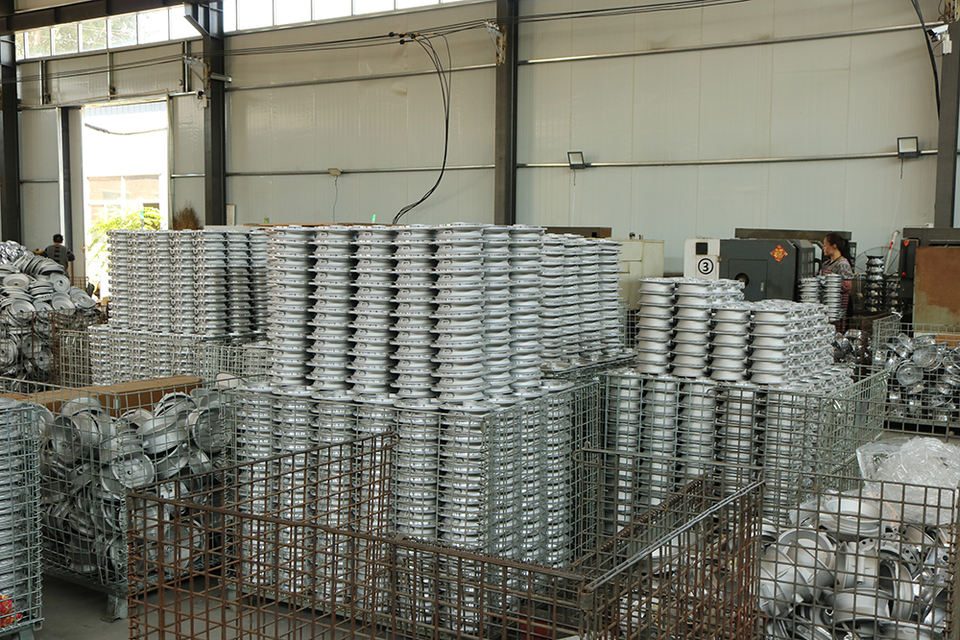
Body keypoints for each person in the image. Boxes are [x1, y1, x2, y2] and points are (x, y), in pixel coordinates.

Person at [821, 232, 854, 329]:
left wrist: (830, 283)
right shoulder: (826, 264)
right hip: (826, 306)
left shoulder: (842, 264)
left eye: (825, 245)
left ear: (834, 246)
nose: (823, 248)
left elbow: (847, 286)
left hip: (837, 309)